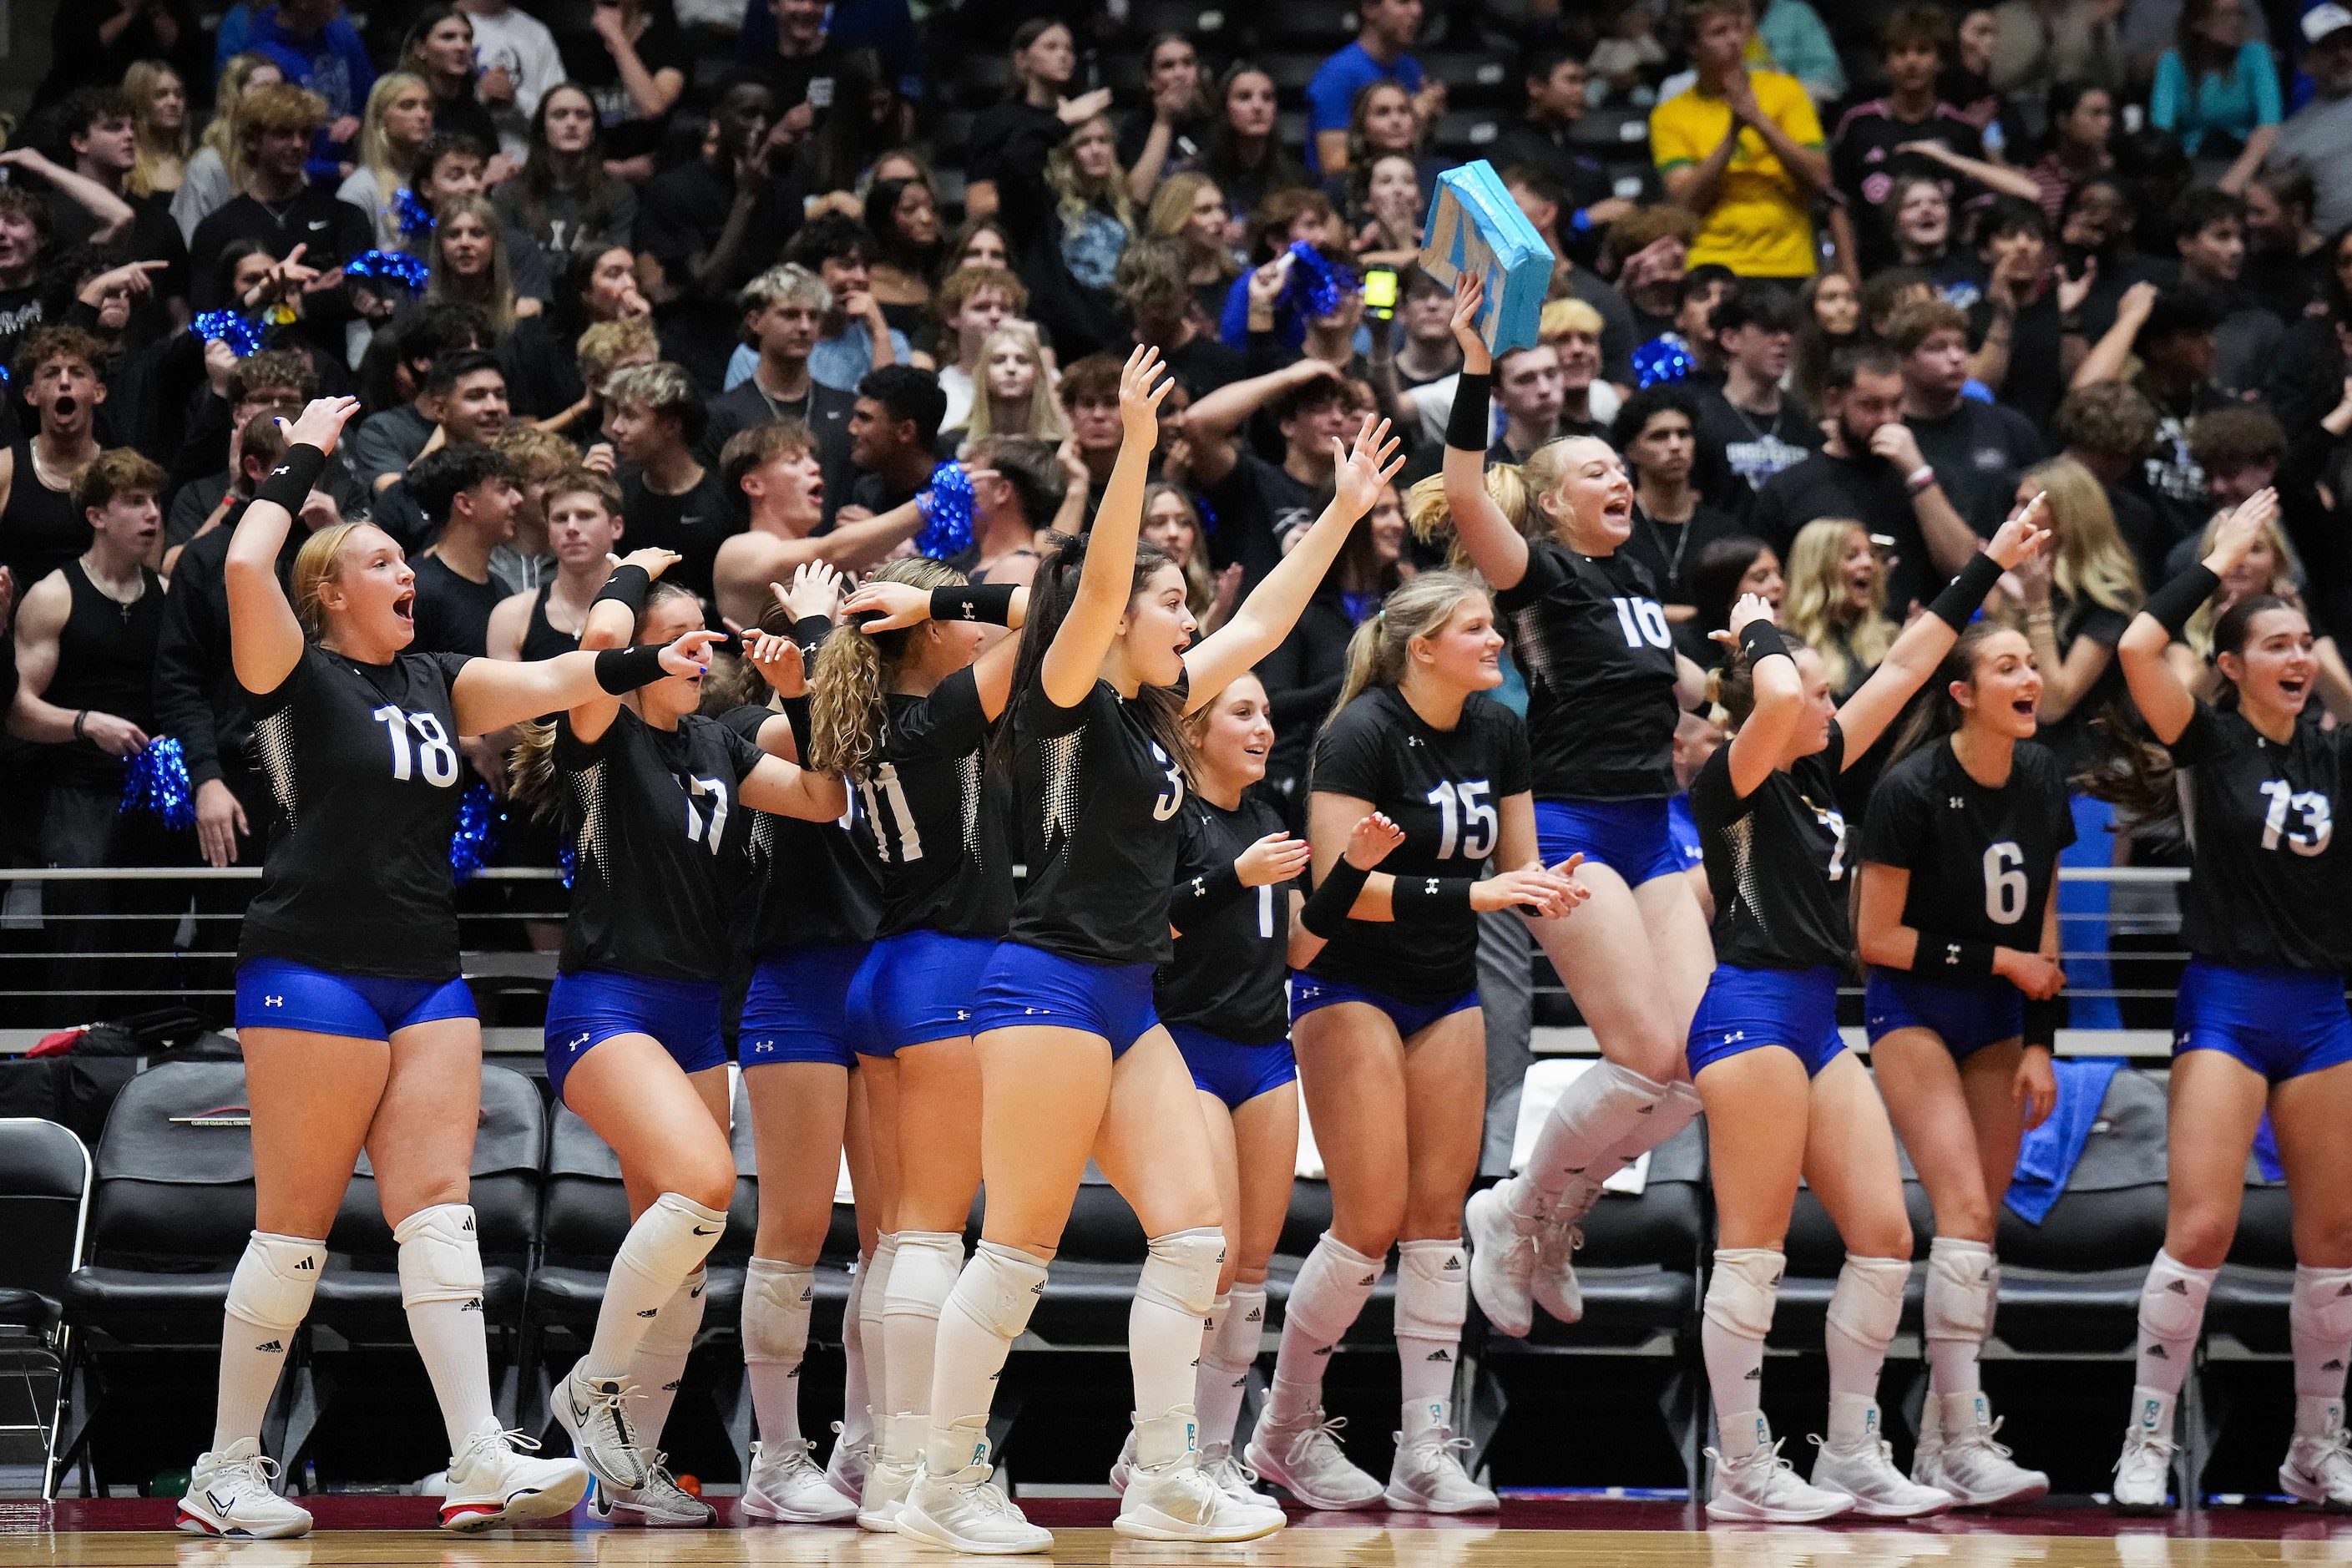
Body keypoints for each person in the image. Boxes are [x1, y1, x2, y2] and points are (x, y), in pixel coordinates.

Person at [178, 393, 719, 1538]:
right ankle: (224, 1465)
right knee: (296, 1227)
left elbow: (568, 683)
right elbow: (243, 565)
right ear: (331, 592)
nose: (402, 574)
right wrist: (308, 455)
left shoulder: (441, 680)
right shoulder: (294, 666)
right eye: (378, 561)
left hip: (425, 971)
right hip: (310, 965)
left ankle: (478, 1451)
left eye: (401, 561)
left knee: (441, 1216)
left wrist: (633, 619)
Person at [890, 352, 1395, 1550]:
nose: (1192, 620)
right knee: (1014, 1248)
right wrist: (1127, 445)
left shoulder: (1160, 707)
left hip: (1127, 1000)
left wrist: (1340, 514)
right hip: (1043, 991)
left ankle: (1163, 1470)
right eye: (1173, 606)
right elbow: (1104, 575)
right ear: (1118, 620)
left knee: (1195, 1233)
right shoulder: (1065, 690)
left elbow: (1267, 615)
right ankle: (940, 1483)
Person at [1687, 503, 2045, 1522]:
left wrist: (1989, 562)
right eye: (1817, 689)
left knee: (1885, 1236)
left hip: (1812, 1018)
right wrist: (1759, 627)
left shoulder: (1818, 771)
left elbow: (1913, 661)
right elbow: (1773, 692)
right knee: (1754, 1250)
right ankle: (1743, 1467)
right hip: (1747, 1013)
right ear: (1775, 697)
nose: (1835, 701)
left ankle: (1849, 1451)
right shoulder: (1739, 779)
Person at [508, 552, 845, 1525]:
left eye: (706, 634)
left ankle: (632, 1466)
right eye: (680, 634)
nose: (702, 649)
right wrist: (621, 578)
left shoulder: (719, 745)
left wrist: (800, 692)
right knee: (704, 1187)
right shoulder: (602, 728)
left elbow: (823, 797)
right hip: (605, 1007)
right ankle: (592, 1387)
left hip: (698, 1014)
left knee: (684, 1253)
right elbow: (600, 650)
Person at [1248, 572, 1581, 1513]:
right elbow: (1336, 895)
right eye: (1476, 627)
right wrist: (1478, 894)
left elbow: (1513, 864)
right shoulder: (1358, 732)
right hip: (1346, 978)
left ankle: (1425, 1449)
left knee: (1440, 1221)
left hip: (1443, 986)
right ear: (1421, 646)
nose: (1496, 640)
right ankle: (1285, 1426)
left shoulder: (1500, 729)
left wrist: (1549, 883)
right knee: (1370, 1218)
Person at [1430, 274, 1712, 1341]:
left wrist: (1741, 684)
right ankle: (1509, 1211)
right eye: (1594, 470)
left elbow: (1676, 679)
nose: (1619, 479)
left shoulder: (1634, 577)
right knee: (1642, 1049)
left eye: (1620, 471)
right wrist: (1473, 369)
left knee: (1692, 1068)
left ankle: (1548, 1215)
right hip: (1573, 829)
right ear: (1550, 503)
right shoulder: (1539, 571)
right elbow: (1463, 491)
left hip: (1655, 828)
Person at [2106, 489, 2352, 1511]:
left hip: (2323, 1006)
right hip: (2228, 1001)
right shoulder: (2209, 743)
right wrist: (2220, 562)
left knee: (2335, 1242)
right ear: (2233, 666)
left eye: (2306, 642)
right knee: (2201, 1230)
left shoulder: (2336, 751)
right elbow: (2133, 648)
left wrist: (2319, 640)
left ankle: (2316, 1445)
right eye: (2277, 643)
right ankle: (2147, 1441)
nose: (2297, 656)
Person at [1854, 619, 2067, 1510]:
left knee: (1975, 1233)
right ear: (1963, 694)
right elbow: (1876, 939)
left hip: (1997, 1020)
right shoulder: (1909, 790)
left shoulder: (2042, 775)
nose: (2030, 679)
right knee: (1964, 1205)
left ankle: (1948, 1446)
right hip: (1913, 1010)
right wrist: (1999, 966)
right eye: (2007, 667)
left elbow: (2045, 927)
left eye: (2031, 665)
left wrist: (2041, 1044)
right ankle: (1961, 1431)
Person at [1121, 668, 1328, 1503]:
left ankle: (1213, 1457)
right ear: (1195, 730)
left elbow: (1302, 951)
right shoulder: (1173, 821)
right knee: (1203, 1260)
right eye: (1243, 712)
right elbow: (1148, 923)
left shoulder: (1270, 818)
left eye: (1268, 712)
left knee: (1249, 1269)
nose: (1264, 727)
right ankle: (1154, 1452)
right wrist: (1235, 876)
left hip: (1265, 1050)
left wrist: (1352, 874)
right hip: (1186, 1048)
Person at [6, 450, 175, 1020]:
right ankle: (65, 1067)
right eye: (134, 502)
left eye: (155, 501)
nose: (151, 514)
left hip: (151, 790)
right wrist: (84, 722)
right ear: (97, 516)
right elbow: (16, 709)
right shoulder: (55, 595)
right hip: (77, 788)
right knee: (81, 941)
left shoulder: (168, 594)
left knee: (151, 937)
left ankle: (143, 1072)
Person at [1750, 343, 1982, 613]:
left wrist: (1918, 475)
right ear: (1835, 401)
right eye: (1871, 406)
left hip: (1917, 639)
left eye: (1896, 404)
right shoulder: (1788, 488)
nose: (1887, 418)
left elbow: (1967, 570)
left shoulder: (1931, 478)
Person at [1828, 7, 2038, 281]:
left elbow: (1976, 210)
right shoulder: (1858, 124)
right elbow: (1839, 205)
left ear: (1940, 61)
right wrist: (1850, 274)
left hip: (1950, 274)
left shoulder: (1961, 130)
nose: (1911, 62)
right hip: (1876, 273)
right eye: (1901, 52)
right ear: (1885, 62)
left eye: (1923, 51)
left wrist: (1968, 269)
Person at [634, 79, 807, 389]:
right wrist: (745, 200)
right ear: (720, 117)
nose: (760, 125)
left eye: (768, 116)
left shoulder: (785, 193)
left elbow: (793, 278)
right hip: (698, 339)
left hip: (763, 336)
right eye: (748, 114)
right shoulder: (676, 189)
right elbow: (707, 285)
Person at [1649, 0, 1830, 283]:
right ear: (1693, 46)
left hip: (1789, 262)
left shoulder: (1786, 91)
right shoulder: (1669, 116)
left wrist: (1760, 121)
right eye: (1719, 32)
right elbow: (1684, 203)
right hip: (1713, 263)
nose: (1734, 40)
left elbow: (1821, 180)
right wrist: (1734, 132)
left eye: (1738, 29)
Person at [710, 421, 934, 630]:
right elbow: (830, 552)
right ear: (753, 485)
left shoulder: (842, 561)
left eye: (812, 459)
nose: (815, 468)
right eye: (794, 461)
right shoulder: (739, 550)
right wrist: (934, 500)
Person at [1891, 299, 2043, 538]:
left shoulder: (2009, 426)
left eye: (1961, 346)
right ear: (1903, 359)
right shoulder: (1890, 436)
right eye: (1937, 348)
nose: (1955, 357)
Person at [599, 362, 731, 604]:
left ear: (671, 425)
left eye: (630, 415)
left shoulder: (725, 498)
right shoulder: (616, 494)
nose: (616, 427)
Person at [960, 20, 1107, 224]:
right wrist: (1061, 122)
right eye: (1051, 47)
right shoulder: (995, 121)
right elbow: (978, 206)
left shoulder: (1083, 117)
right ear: (1022, 60)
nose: (1064, 55)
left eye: (1069, 49)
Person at [1494, 48, 1632, 260]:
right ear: (1536, 87)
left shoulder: (1584, 149)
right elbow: (1509, 224)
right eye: (1571, 81)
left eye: (1583, 82)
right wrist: (1584, 220)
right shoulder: (1510, 149)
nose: (1580, 90)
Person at [0, 328, 110, 590]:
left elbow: (147, 576)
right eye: (50, 373)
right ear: (31, 395)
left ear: (98, 392)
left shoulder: (120, 476)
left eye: (77, 372)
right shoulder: (4, 469)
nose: (64, 381)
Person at [1690, 285, 1819, 506]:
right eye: (1770, 329)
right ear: (1731, 339)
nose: (1785, 340)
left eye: (1790, 331)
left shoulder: (1806, 421)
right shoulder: (1702, 420)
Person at [1615, 387, 1742, 610]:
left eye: (1684, 434)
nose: (1675, 446)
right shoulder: (1617, 528)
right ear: (1631, 450)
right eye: (1659, 436)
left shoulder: (1725, 532)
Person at [493, 85, 638, 279]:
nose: (571, 123)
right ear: (542, 130)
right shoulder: (508, 195)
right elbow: (507, 264)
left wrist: (541, 262)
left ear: (594, 131)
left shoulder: (619, 196)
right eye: (560, 115)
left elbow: (616, 267)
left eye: (582, 115)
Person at [487, 466, 620, 665]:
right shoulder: (511, 617)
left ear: (616, 527)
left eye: (585, 516)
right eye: (560, 518)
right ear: (548, 530)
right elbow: (505, 696)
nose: (572, 528)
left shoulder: (650, 610)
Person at [2152, 0, 2281, 195]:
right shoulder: (2172, 63)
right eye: (2226, 15)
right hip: (2191, 164)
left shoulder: (2255, 54)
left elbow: (2269, 127)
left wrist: (2229, 186)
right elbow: (2162, 131)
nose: (2236, 22)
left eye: (2240, 14)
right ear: (2198, 22)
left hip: (2247, 160)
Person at [406, 444, 521, 658]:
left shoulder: (500, 587)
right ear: (465, 504)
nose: (518, 499)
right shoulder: (417, 592)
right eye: (504, 489)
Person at [1304, 0, 1439, 180]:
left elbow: (1412, 153)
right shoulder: (1337, 76)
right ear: (1370, 8)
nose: (1417, 11)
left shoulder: (1410, 69)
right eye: (1403, 2)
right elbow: (1333, 166)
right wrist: (1415, 117)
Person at [556, 0, 686, 180]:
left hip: (652, 175)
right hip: (590, 175)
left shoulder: (667, 45)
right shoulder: (576, 50)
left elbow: (652, 107)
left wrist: (617, 39)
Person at [778, 215, 906, 396]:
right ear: (810, 273)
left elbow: (892, 416)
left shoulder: (892, 343)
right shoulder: (769, 347)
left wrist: (880, 335)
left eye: (866, 267)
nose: (862, 277)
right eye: (847, 266)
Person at [171, 53, 286, 245]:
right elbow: (192, 242)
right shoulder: (209, 165)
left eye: (279, 89)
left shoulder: (284, 156)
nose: (275, 98)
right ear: (235, 96)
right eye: (263, 88)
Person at [1197, 64, 1311, 232]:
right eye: (1244, 97)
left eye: (1267, 98)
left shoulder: (1296, 179)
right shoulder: (1199, 176)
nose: (1258, 106)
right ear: (1224, 109)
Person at [456, 0, 565, 164]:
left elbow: (560, 113)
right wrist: (480, 95)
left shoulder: (536, 33)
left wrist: (516, 100)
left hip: (525, 168)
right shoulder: (444, 26)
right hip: (460, 167)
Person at [929, 266, 1031, 434]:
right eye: (981, 307)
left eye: (1005, 308)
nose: (995, 316)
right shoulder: (938, 390)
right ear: (953, 316)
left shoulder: (1048, 380)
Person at [339, 73, 436, 250]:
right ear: (380, 117)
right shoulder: (360, 189)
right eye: (408, 106)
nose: (422, 115)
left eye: (428, 106)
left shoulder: (437, 180)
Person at [400, 7, 504, 166]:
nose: (461, 47)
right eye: (448, 37)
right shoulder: (401, 106)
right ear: (420, 48)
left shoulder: (477, 115)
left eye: (467, 38)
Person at [1122, 32, 1216, 208]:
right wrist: (1163, 121)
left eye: (1188, 63)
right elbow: (1137, 197)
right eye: (1167, 66)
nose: (1180, 74)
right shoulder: (1135, 127)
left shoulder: (1215, 124)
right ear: (1150, 80)